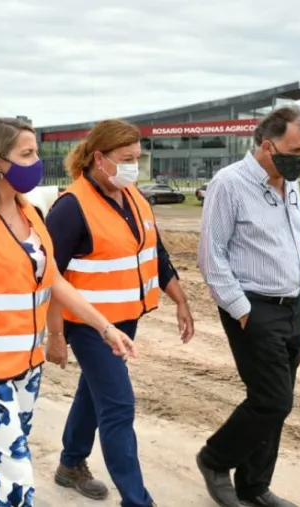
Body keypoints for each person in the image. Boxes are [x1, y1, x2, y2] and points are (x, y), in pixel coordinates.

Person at [0, 117, 138, 507]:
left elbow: (55, 279)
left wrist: (105, 327)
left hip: (26, 368)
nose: (36, 161)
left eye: (35, 151)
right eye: (27, 153)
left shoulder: (31, 214)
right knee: (15, 480)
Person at [43, 119, 195, 507]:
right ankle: (137, 500)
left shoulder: (135, 198)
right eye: (126, 159)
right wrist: (56, 336)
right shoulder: (70, 208)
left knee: (93, 394)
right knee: (118, 404)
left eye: (137, 159)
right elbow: (48, 279)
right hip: (88, 326)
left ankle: (71, 463)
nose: (133, 167)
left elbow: (155, 254)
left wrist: (181, 300)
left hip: (125, 320)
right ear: (99, 158)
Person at [195, 104, 300, 507]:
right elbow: (212, 255)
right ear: (268, 145)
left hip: (295, 305)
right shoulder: (228, 184)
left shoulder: (291, 181)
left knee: (278, 405)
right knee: (272, 400)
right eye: (296, 151)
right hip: (255, 307)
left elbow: (291, 240)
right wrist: (243, 310)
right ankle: (214, 459)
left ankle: (254, 486)